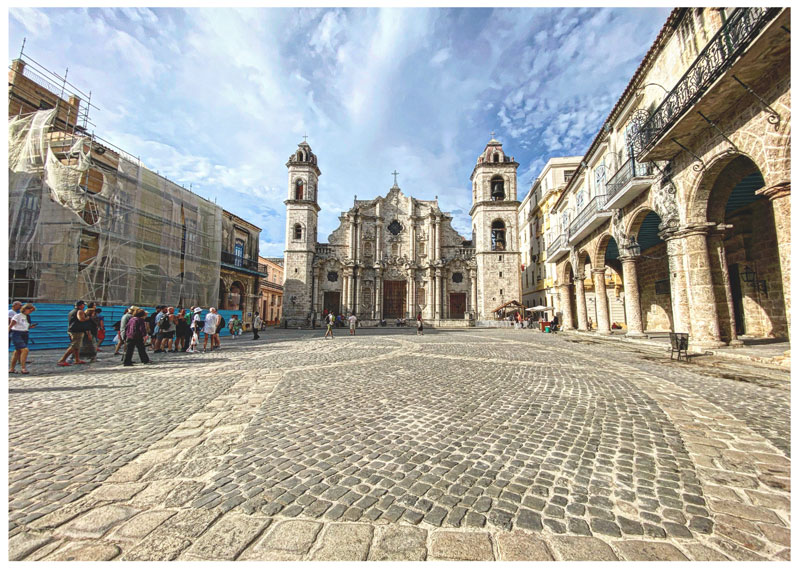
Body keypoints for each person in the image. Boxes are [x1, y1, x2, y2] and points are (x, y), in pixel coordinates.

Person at [57, 300, 89, 367]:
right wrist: (87, 318)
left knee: (76, 346)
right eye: (83, 305)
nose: (84, 306)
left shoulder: (71, 312)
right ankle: (62, 360)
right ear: (81, 305)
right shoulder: (79, 311)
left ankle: (77, 360)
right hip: (77, 331)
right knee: (74, 345)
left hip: (72, 330)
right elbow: (81, 319)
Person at [9, 303, 36, 374]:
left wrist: (30, 327)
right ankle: (23, 368)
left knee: (17, 351)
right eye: (30, 310)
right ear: (25, 309)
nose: (30, 312)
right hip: (16, 333)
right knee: (25, 350)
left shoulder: (28, 317)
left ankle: (12, 368)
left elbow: (26, 326)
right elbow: (10, 325)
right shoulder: (17, 316)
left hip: (25, 333)